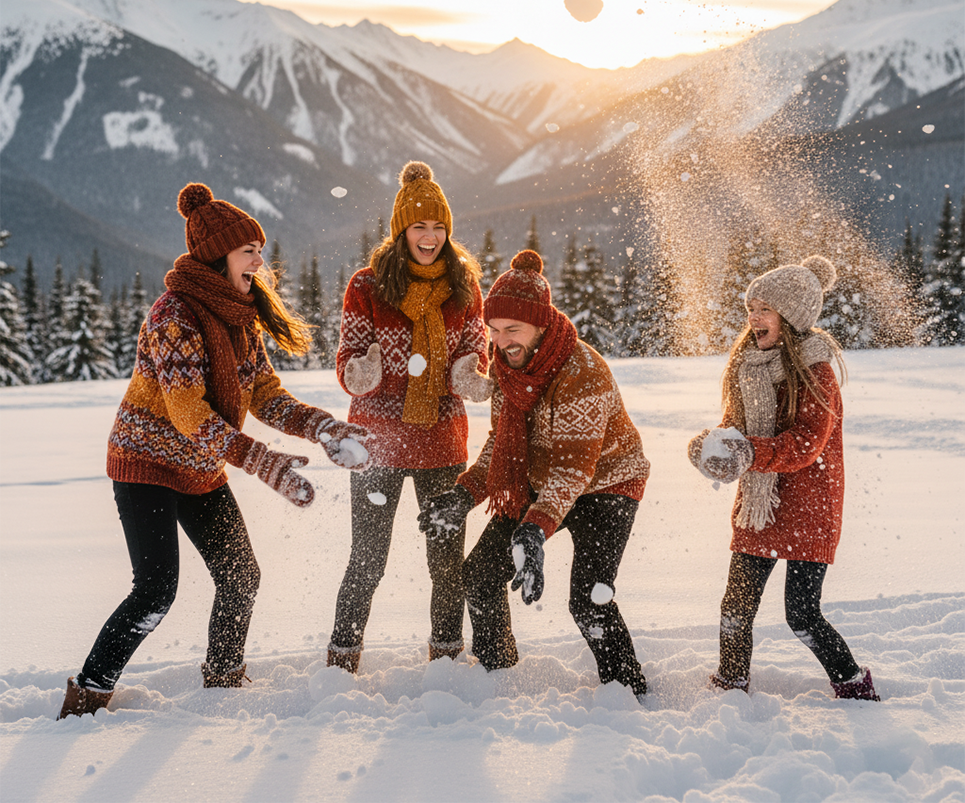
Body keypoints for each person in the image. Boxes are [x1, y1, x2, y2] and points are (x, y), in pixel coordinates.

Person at [58, 183, 370, 719]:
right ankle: (87, 696)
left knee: (240, 574)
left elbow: (267, 397)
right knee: (155, 591)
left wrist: (323, 428)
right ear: (217, 253)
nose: (259, 258)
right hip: (147, 465)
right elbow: (186, 411)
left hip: (200, 467)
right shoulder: (173, 314)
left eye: (258, 248)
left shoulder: (241, 319)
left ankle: (224, 681)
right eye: (248, 248)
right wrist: (262, 462)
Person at [419, 249, 651, 701]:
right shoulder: (509, 368)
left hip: (607, 484)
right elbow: (499, 451)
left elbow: (574, 469)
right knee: (481, 574)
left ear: (541, 324)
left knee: (589, 600)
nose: (502, 341)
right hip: (544, 483)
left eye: (513, 329)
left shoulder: (582, 371)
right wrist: (462, 495)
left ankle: (628, 691)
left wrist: (533, 531)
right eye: (495, 329)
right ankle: (498, 673)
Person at [688, 255, 880, 701]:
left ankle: (852, 682)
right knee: (735, 606)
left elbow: (805, 445)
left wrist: (749, 451)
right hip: (762, 506)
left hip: (810, 506)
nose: (753, 318)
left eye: (764, 308)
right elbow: (735, 426)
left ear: (789, 317)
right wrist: (714, 446)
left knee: (801, 614)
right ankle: (732, 683)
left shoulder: (816, 373)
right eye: (751, 308)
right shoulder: (748, 366)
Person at [327, 161, 491, 673]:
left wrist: (469, 373)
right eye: (420, 226)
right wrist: (363, 371)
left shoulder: (464, 285)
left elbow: (475, 352)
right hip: (377, 445)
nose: (431, 236)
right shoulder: (368, 285)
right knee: (367, 559)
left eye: (439, 227)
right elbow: (346, 359)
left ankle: (445, 656)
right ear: (402, 230)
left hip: (442, 443)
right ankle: (341, 658)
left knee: (446, 563)